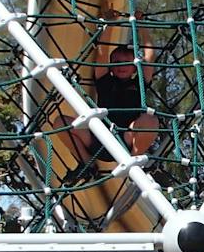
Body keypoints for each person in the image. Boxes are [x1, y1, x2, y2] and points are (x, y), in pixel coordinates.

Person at [66, 30, 160, 179]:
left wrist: (141, 27)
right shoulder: (105, 80)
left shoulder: (138, 84)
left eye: (126, 62)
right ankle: (87, 164)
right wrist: (110, 23)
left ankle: (133, 162)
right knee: (61, 122)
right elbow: (102, 53)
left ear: (135, 67)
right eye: (116, 63)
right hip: (99, 137)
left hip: (125, 139)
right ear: (110, 66)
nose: (121, 66)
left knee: (151, 120)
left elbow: (149, 57)